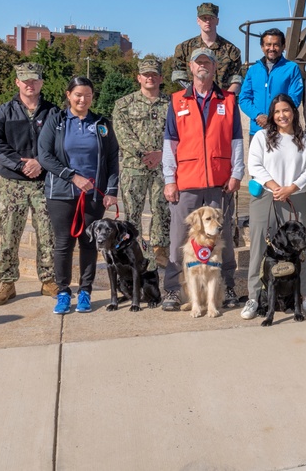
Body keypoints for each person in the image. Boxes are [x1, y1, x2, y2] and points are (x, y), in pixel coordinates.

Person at [161, 48, 245, 311]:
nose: (202, 67)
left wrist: (236, 173)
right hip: (186, 181)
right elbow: (169, 144)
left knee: (224, 239)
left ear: (215, 67)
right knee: (179, 238)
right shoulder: (177, 101)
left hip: (219, 182)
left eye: (207, 62)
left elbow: (237, 141)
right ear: (190, 67)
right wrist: (169, 179)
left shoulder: (228, 100)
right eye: (198, 62)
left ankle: (226, 285)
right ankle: (174, 290)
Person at [37, 77, 120, 314]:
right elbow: (44, 155)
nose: (83, 100)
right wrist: (72, 176)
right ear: (68, 95)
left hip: (94, 195)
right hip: (61, 193)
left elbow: (112, 157)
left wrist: (111, 190)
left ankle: (85, 291)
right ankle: (63, 292)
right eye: (78, 95)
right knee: (63, 243)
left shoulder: (102, 124)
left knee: (89, 242)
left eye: (88, 95)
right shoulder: (56, 121)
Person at [241, 94, 306, 320]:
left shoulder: (305, 139)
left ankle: (305, 297)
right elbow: (254, 165)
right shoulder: (262, 137)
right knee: (257, 248)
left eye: (286, 110)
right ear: (272, 115)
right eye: (277, 112)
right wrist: (276, 187)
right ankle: (254, 297)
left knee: (301, 248)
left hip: (296, 197)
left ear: (293, 112)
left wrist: (291, 188)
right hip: (266, 197)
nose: (282, 115)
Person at [0, 62, 59, 305]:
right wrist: (20, 164)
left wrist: (40, 162)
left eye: (34, 80)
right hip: (12, 183)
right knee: (9, 233)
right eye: (25, 80)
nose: (30, 84)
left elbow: (60, 144)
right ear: (17, 82)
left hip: (44, 182)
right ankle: (7, 283)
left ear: (41, 82)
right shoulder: (3, 112)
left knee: (48, 233)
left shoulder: (53, 112)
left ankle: (49, 280)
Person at [111, 55, 170, 270]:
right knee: (132, 212)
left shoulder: (171, 104)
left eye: (154, 74)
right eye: (146, 75)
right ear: (139, 77)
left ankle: (160, 249)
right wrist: (145, 154)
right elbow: (123, 134)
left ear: (161, 78)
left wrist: (161, 154)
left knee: (162, 209)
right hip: (133, 168)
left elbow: (178, 134)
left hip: (162, 167)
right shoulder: (124, 104)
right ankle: (133, 249)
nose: (150, 78)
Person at [239, 27, 304, 138]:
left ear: (283, 46)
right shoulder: (253, 70)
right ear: (262, 47)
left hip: (282, 131)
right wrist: (258, 115)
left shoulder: (292, 68)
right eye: (268, 45)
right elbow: (244, 98)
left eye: (276, 45)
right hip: (257, 132)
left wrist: (273, 118)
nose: (272, 48)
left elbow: (294, 98)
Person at [171, 2, 244, 93]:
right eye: (204, 18)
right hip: (192, 101)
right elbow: (179, 76)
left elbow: (236, 80)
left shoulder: (231, 50)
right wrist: (196, 95)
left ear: (217, 21)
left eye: (211, 18)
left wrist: (225, 99)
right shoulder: (184, 48)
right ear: (198, 20)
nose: (208, 21)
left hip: (222, 102)